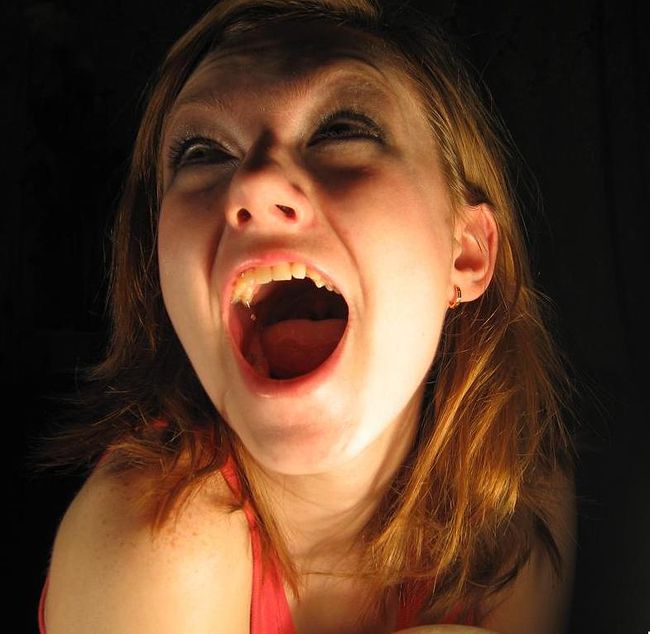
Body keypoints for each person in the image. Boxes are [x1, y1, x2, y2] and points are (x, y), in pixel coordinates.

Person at [38, 0, 577, 632]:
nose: (254, 183)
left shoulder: (520, 492)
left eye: (341, 130)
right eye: (202, 152)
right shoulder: (154, 544)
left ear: (465, 253)